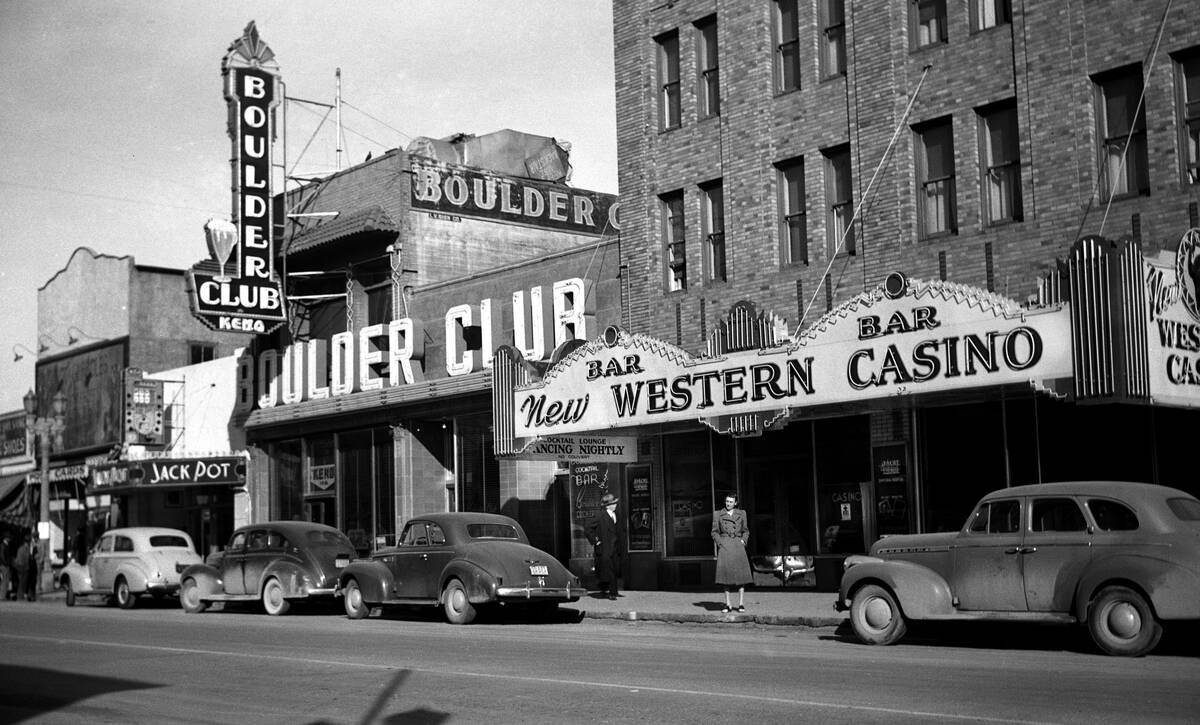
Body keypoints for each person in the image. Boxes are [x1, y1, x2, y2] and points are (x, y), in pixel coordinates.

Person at [712, 492, 752, 613]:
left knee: (741, 576)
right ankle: (728, 604)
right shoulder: (718, 514)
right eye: (726, 501)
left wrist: (743, 541)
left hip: (738, 545)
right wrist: (721, 543)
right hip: (725, 546)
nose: (728, 504)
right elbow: (714, 532)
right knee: (725, 576)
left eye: (730, 502)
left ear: (735, 503)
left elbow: (746, 530)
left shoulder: (742, 513)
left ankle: (741, 604)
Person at [586, 492, 625, 600]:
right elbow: (588, 529)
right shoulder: (600, 515)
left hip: (615, 548)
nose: (615, 505)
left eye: (615, 503)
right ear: (607, 505)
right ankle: (613, 593)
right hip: (605, 548)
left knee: (614, 569)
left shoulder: (616, 515)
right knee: (609, 570)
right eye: (613, 503)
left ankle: (605, 588)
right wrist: (596, 541)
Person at [14, 532, 33, 602]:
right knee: (22, 582)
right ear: (27, 542)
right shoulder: (24, 549)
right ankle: (20, 596)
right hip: (23, 568)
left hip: (22, 567)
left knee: (22, 582)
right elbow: (23, 559)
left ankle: (20, 595)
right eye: (29, 542)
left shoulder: (22, 549)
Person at [0, 530, 13, 600]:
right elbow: (2, 556)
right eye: (9, 537)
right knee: (5, 581)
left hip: (4, 565)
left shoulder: (5, 545)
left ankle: (3, 595)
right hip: (4, 566)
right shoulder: (3, 545)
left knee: (6, 581)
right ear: (6, 538)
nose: (10, 539)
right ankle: (2, 596)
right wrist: (6, 564)